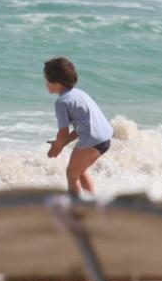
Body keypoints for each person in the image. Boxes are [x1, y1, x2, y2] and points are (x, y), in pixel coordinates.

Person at [44, 57, 113, 196]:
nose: (45, 83)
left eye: (46, 79)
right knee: (79, 171)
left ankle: (76, 209)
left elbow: (63, 132)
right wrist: (63, 144)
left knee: (71, 174)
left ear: (55, 82)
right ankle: (92, 203)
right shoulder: (79, 94)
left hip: (91, 140)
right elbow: (80, 127)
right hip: (105, 138)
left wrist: (56, 148)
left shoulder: (61, 102)